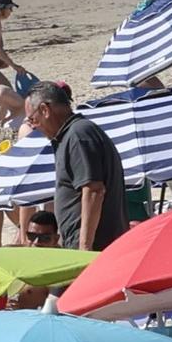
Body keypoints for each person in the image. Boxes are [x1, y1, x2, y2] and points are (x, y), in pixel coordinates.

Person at [24, 82, 126, 251]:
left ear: (45, 110)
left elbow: (93, 191)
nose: (33, 127)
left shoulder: (78, 136)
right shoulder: (71, 135)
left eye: (32, 120)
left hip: (94, 247)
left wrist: (84, 247)